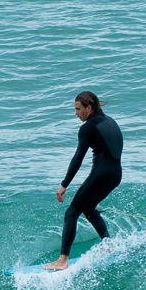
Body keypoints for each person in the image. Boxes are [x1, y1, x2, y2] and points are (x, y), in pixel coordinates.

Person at [47, 90, 123, 268]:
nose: (76, 113)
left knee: (71, 212)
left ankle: (62, 260)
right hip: (116, 174)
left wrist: (64, 185)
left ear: (89, 108)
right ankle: (108, 245)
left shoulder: (87, 128)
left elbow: (78, 158)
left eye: (78, 109)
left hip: (101, 174)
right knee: (88, 208)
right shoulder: (110, 121)